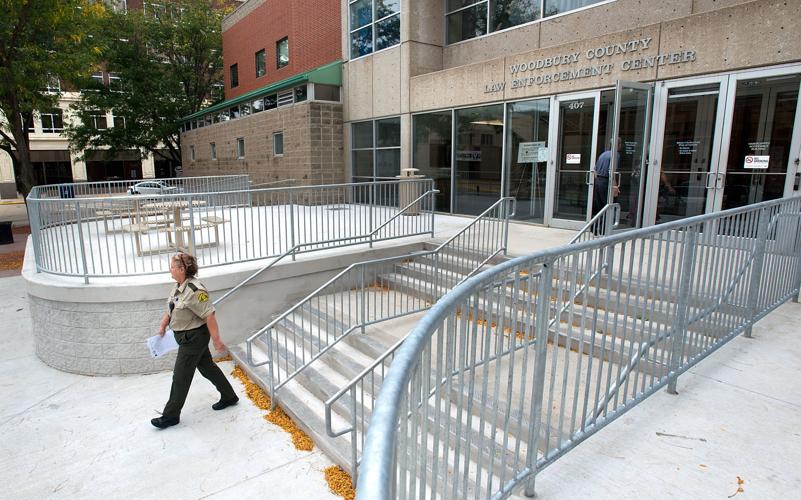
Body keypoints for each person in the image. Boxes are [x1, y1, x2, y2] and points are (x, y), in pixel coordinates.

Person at [151, 253, 239, 429]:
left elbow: (209, 315)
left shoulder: (195, 290)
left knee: (181, 376)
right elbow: (171, 309)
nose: (170, 269)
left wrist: (217, 340)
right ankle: (229, 396)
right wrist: (162, 326)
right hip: (185, 337)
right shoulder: (178, 287)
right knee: (207, 368)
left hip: (194, 338)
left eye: (173, 266)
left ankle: (171, 416)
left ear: (182, 269)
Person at [592, 138, 621, 218]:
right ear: (618, 145)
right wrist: (615, 187)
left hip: (598, 181)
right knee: (608, 205)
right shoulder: (615, 155)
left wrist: (598, 180)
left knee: (600, 206)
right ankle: (606, 227)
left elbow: (595, 170)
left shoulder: (603, 154)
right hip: (606, 182)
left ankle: (599, 228)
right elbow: (613, 172)